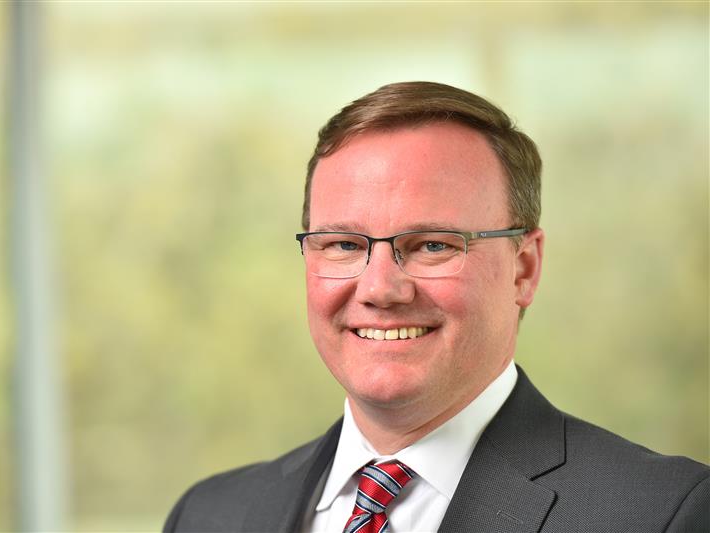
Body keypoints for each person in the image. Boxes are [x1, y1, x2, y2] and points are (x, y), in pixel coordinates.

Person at [163, 81, 709, 532]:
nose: (380, 288)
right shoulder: (209, 517)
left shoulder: (665, 514)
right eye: (345, 245)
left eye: (432, 245)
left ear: (524, 268)